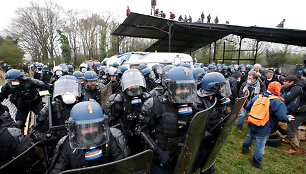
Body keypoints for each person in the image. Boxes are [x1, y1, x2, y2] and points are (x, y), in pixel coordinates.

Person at [141, 67, 197, 173]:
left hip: (181, 155)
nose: (185, 92)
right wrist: (158, 152)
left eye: (188, 88)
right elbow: (142, 132)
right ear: (170, 87)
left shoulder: (193, 106)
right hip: (161, 159)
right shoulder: (155, 104)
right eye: (181, 88)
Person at [49, 101, 129, 174]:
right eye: (85, 127)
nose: (90, 130)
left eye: (94, 126)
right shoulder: (67, 143)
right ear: (76, 128)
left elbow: (123, 166)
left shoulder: (112, 137)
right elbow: (57, 169)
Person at [241, 82, 294, 169]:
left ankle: (245, 149)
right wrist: (288, 118)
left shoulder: (258, 96)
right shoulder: (277, 101)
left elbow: (247, 106)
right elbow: (281, 116)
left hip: (253, 121)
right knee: (260, 144)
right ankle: (256, 163)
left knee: (250, 135)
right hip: (264, 126)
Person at [105, 69, 150, 154]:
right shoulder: (117, 101)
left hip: (144, 138)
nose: (134, 87)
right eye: (130, 84)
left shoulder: (147, 98)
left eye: (136, 83)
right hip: (124, 138)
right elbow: (111, 124)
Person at [31, 78, 81, 148]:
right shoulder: (50, 108)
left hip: (82, 144)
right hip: (59, 146)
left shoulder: (85, 105)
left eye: (71, 90)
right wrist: (48, 138)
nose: (68, 93)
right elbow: (36, 133)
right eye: (64, 91)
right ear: (59, 92)